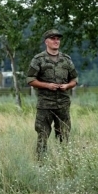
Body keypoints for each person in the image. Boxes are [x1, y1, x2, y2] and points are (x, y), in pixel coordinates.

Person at [26, 28, 78, 156]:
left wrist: (67, 86)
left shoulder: (66, 59)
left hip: (63, 104)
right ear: (46, 42)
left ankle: (64, 162)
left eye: (58, 39)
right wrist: (47, 85)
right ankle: (41, 164)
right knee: (42, 135)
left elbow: (75, 79)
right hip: (45, 104)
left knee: (64, 135)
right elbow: (30, 79)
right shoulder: (38, 59)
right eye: (53, 39)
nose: (56, 41)